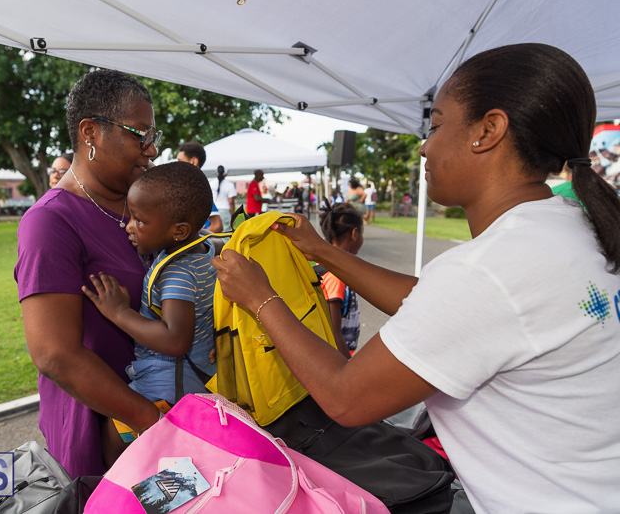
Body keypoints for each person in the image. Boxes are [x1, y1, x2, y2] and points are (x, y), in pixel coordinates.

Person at [212, 43, 620, 513]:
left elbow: (347, 399)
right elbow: (436, 306)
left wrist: (261, 299)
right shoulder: (569, 223)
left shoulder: (489, 268)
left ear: (488, 130)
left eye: (439, 124)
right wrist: (322, 251)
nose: (425, 145)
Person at [15, 69, 164, 477]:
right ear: (90, 133)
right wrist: (154, 423)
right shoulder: (50, 222)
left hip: (171, 410)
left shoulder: (145, 205)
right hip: (110, 428)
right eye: (140, 134)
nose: (151, 150)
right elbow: (54, 352)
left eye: (154, 136)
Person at [83, 161, 216, 405]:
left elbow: (174, 340)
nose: (128, 227)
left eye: (140, 221)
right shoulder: (206, 249)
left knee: (116, 436)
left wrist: (119, 312)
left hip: (169, 380)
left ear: (179, 231)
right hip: (195, 373)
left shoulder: (178, 273)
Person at [317, 201, 363, 356]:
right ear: (354, 233)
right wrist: (346, 368)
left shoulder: (330, 267)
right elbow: (334, 334)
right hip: (338, 358)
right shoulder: (336, 275)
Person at [175, 141, 222, 232]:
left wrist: (194, 239)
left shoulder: (197, 187)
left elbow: (217, 225)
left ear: (193, 161)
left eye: (180, 161)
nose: (177, 165)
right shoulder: (188, 186)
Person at [212, 165, 237, 230]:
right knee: (225, 234)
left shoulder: (211, 183)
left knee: (214, 234)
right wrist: (233, 216)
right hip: (225, 211)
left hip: (213, 211)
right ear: (225, 174)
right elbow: (231, 202)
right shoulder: (230, 185)